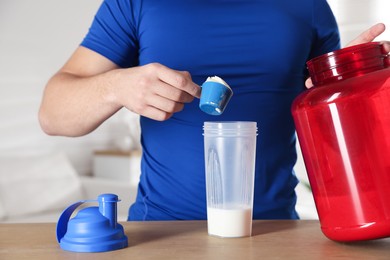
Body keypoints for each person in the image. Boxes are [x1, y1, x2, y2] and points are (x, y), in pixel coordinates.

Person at [39, 0, 389, 221]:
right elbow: (53, 115)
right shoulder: (136, 3)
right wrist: (117, 86)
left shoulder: (308, 6)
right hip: (162, 234)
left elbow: (342, 148)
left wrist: (358, 89)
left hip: (273, 233)